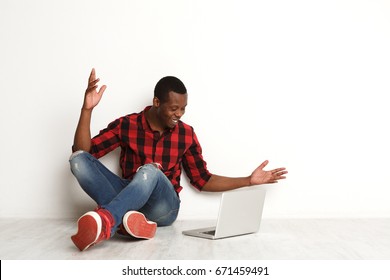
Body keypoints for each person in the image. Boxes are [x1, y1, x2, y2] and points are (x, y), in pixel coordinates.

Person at [69, 68, 288, 251]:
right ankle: (129, 223)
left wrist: (248, 180)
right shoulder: (128, 125)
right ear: (157, 102)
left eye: (183, 108)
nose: (179, 114)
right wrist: (87, 109)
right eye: (174, 108)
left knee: (151, 170)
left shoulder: (186, 134)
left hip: (163, 207)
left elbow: (203, 180)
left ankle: (108, 220)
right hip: (128, 195)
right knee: (77, 160)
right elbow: (84, 152)